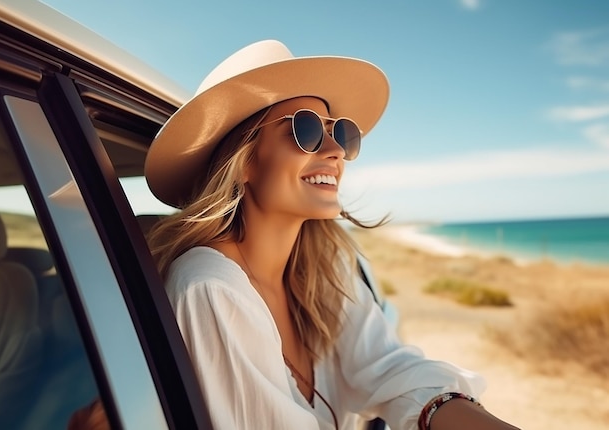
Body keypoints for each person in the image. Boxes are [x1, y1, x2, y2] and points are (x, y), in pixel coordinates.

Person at [145, 40, 520, 430]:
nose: (336, 151)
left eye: (340, 133)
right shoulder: (211, 289)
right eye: (305, 129)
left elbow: (387, 366)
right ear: (243, 162)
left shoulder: (326, 265)